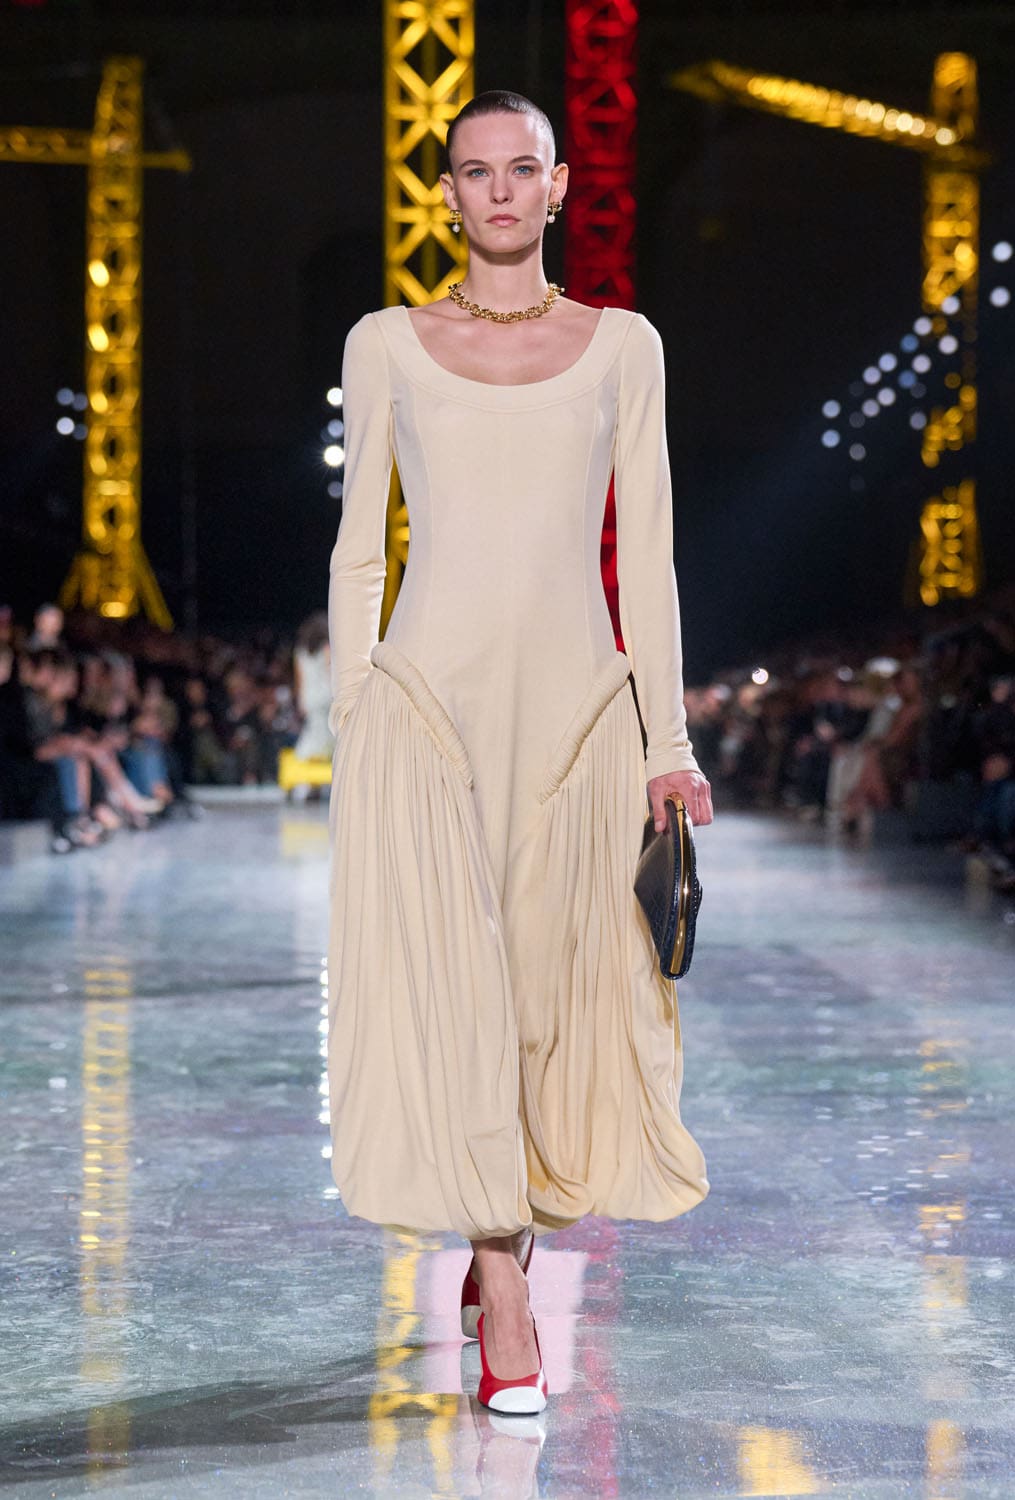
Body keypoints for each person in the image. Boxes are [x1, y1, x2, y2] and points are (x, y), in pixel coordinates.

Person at [326, 90, 714, 1415]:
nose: (498, 189)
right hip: (428, 708)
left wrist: (667, 740)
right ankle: (501, 1284)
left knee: (551, 997)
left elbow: (649, 554)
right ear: (447, 193)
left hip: (578, 712)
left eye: (522, 168)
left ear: (556, 188)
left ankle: (512, 1223)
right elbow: (360, 546)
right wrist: (357, 711)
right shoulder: (387, 340)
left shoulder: (623, 346)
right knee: (457, 995)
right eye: (475, 170)